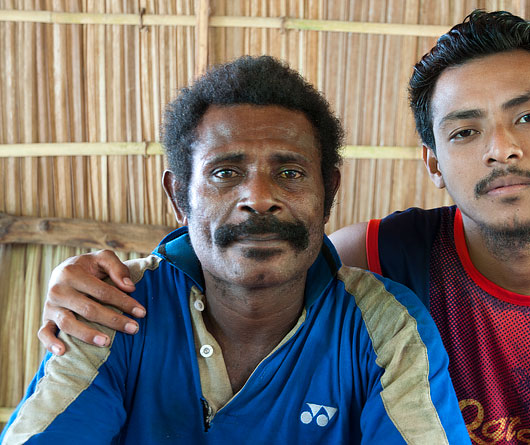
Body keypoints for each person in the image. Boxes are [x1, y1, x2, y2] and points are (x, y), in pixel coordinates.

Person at [31, 9, 530, 445]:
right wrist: (92, 277)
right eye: (466, 130)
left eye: (528, 117)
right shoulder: (377, 257)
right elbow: (232, 258)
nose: (500, 148)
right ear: (433, 162)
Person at [1, 56, 470, 444]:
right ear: (178, 197)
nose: (258, 197)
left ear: (328, 193)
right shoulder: (112, 308)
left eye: (290, 172)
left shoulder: (386, 327)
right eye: (225, 173)